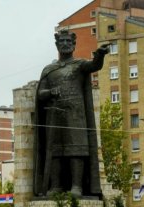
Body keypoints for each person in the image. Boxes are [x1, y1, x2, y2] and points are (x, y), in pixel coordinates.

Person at [33, 29, 108, 197]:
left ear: (74, 44)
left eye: (68, 41)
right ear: (57, 45)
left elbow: (94, 65)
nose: (65, 44)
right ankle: (56, 186)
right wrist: (51, 92)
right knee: (55, 152)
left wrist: (100, 55)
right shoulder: (49, 70)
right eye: (62, 41)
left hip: (76, 115)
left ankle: (77, 186)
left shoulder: (80, 65)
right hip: (54, 117)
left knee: (77, 150)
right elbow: (40, 94)